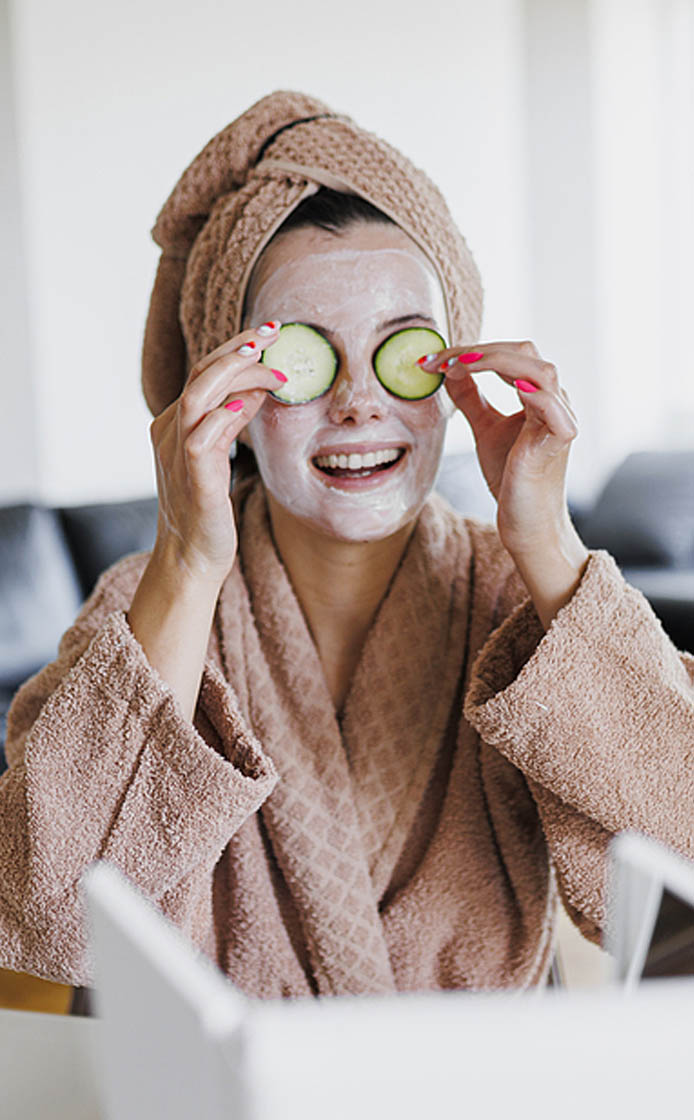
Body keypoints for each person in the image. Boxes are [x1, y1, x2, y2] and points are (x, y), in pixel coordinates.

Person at [1, 91, 692, 1007]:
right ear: (231, 399)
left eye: (403, 351)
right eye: (305, 360)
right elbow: (49, 923)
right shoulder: (148, 607)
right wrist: (188, 562)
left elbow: (683, 855)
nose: (360, 401)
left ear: (452, 374)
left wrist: (549, 542)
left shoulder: (523, 602)